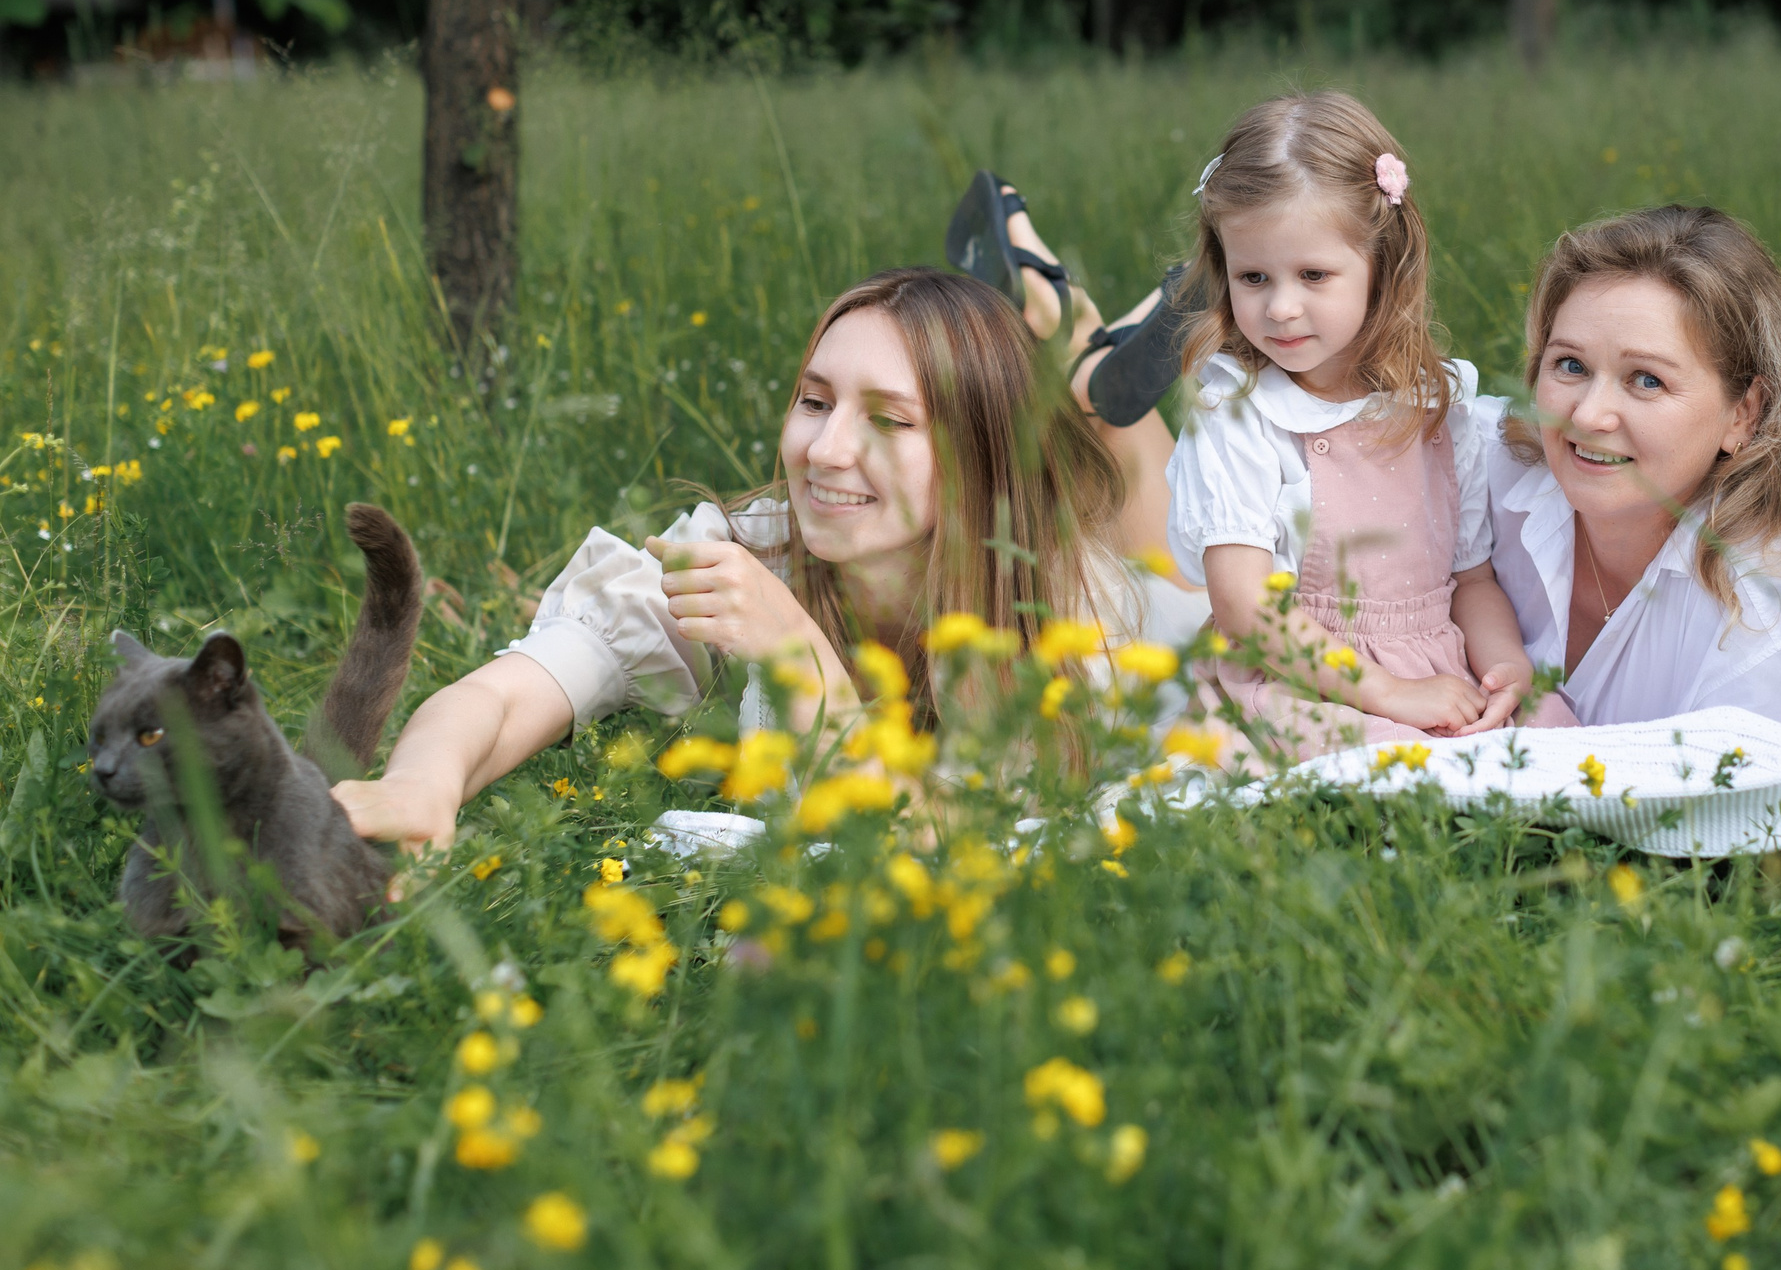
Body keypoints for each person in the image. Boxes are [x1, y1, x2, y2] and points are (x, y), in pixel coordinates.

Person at [332, 265, 1164, 853]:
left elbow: (958, 840)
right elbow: (511, 691)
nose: (826, 448)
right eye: (813, 400)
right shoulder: (745, 552)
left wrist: (799, 655)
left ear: (972, 456)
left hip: (1175, 626)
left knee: (1161, 531)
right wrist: (423, 785)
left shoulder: (1053, 605)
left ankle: (1082, 334)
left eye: (889, 419)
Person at [1164, 92, 1542, 765]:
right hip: (1297, 683)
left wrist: (1504, 662)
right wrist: (1388, 690)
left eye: (1314, 274)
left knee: (1542, 751)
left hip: (1432, 667)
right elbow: (1245, 608)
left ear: (1383, 267)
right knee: (1392, 777)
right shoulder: (1240, 414)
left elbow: (1472, 579)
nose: (1281, 307)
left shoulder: (1437, 406)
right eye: (1253, 276)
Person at [1473, 204, 1781, 738]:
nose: (1588, 416)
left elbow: (1751, 820)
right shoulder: (1475, 463)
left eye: (1647, 380)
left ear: (1743, 414)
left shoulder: (1765, 628)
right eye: (1571, 365)